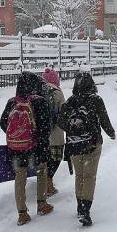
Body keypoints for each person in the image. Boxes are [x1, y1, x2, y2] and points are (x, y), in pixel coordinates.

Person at [58, 72, 116, 226]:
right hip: (92, 144)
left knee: (80, 176)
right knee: (89, 177)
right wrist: (111, 132)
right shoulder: (96, 100)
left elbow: (61, 122)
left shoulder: (69, 102)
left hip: (74, 144)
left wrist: (73, 128)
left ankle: (79, 206)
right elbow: (104, 119)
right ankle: (85, 210)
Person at [0, 72, 54, 226]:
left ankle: (22, 214)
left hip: (16, 149)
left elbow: (3, 123)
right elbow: (45, 127)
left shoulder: (12, 102)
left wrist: (18, 135)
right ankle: (42, 204)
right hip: (36, 147)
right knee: (42, 172)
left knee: (20, 177)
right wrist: (36, 139)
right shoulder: (40, 101)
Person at [42, 68, 66, 198]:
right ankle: (48, 181)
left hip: (41, 134)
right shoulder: (57, 92)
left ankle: (44, 181)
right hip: (56, 133)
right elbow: (64, 112)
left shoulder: (38, 91)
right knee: (56, 158)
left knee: (45, 158)